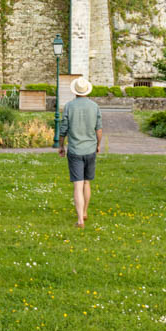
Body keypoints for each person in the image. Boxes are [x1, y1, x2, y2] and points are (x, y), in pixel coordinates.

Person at [58, 76, 103, 228]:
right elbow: (99, 129)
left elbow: (63, 129)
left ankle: (80, 220)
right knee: (86, 182)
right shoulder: (94, 106)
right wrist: (98, 145)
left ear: (75, 91)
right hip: (90, 149)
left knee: (77, 185)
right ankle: (84, 211)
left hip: (75, 149)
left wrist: (61, 146)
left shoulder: (69, 106)